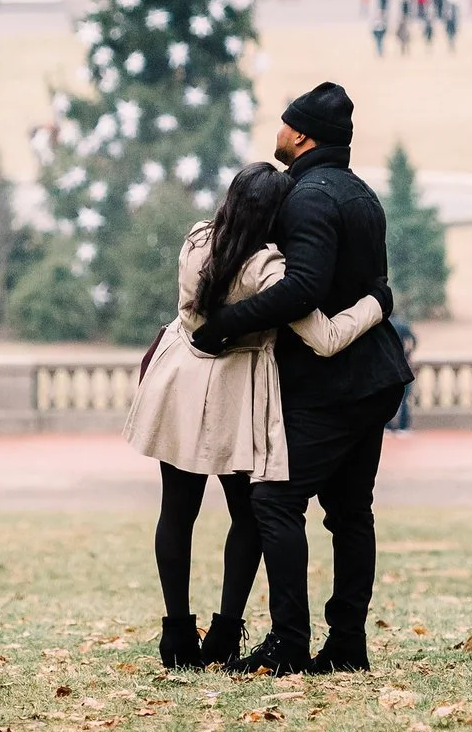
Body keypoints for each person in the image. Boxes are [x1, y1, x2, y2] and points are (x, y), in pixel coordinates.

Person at [190, 81, 414, 676]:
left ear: (301, 135)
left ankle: (289, 642)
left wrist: (223, 325)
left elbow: (304, 287)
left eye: (285, 123)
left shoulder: (307, 196)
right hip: (375, 375)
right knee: (349, 512)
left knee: (274, 501)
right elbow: (368, 286)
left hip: (331, 380)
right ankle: (346, 643)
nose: (279, 131)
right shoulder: (362, 194)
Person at [126, 163, 387, 670]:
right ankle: (225, 631)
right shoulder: (268, 269)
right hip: (232, 391)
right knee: (246, 513)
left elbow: (194, 311)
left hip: (179, 378)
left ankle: (176, 634)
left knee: (176, 510)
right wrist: (376, 303)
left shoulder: (198, 239)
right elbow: (325, 337)